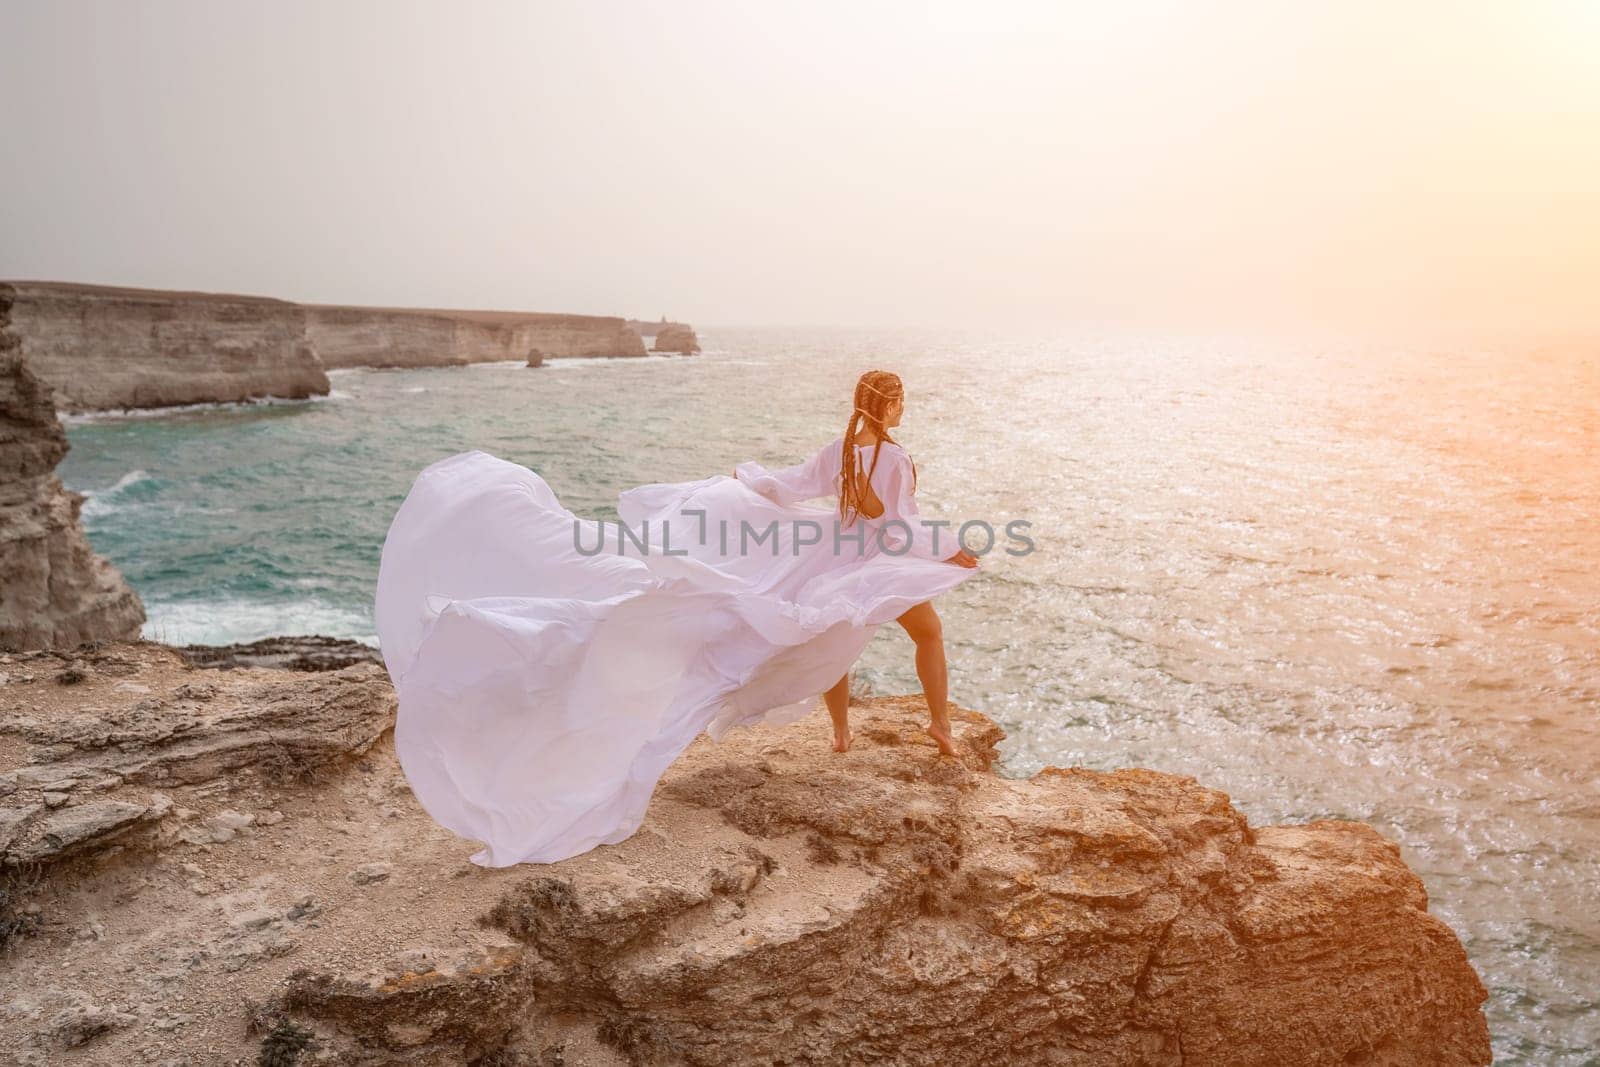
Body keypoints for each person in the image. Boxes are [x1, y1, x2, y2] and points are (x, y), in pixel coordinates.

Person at [374, 369, 979, 867]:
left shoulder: (843, 451)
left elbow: (793, 487)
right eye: (899, 401)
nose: (902, 410)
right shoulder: (894, 460)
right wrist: (951, 549)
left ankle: (843, 735)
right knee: (919, 632)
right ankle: (940, 728)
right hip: (872, 558)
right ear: (888, 405)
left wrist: (751, 482)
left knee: (826, 633)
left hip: (833, 555)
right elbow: (899, 525)